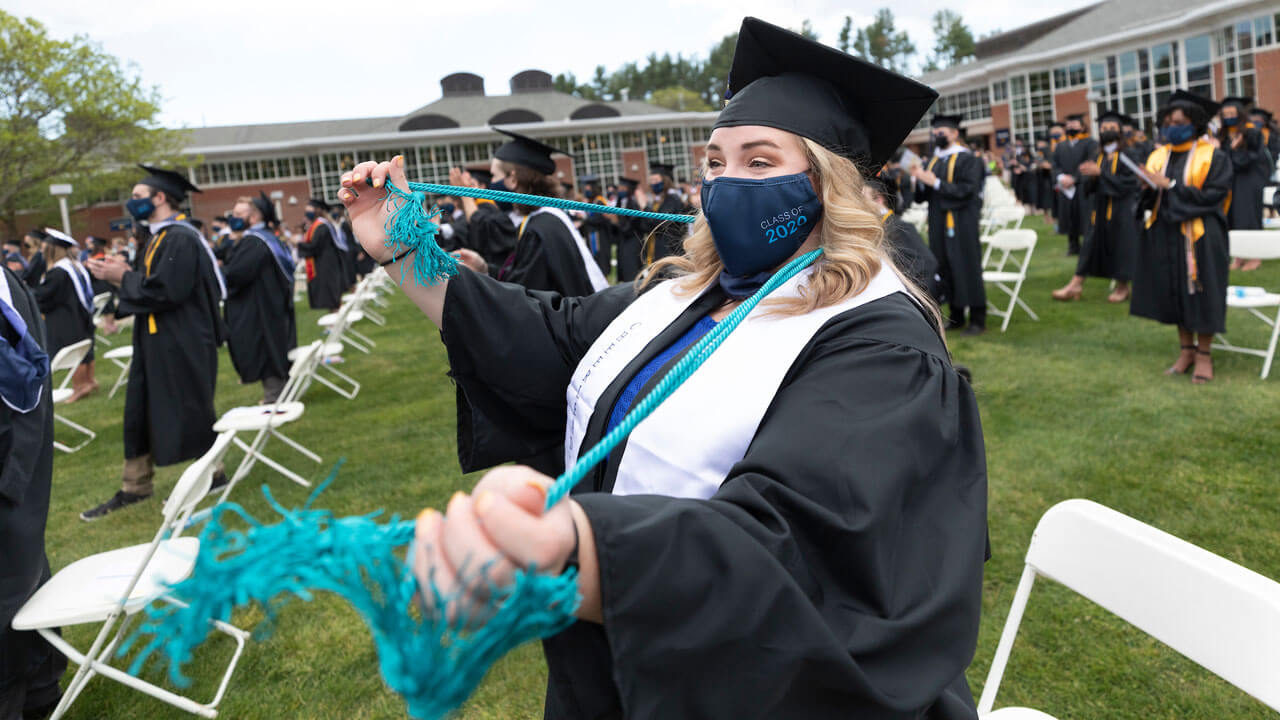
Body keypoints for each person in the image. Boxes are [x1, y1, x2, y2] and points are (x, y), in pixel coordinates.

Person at [339, 16, 986, 719]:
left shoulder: (879, 346)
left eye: (760, 161)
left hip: (734, 680)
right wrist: (403, 247)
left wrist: (577, 546)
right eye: (715, 161)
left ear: (828, 185)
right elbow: (549, 337)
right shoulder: (687, 294)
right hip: (615, 654)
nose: (726, 181)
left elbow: (794, 541)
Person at [82, 165, 227, 520]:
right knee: (140, 407)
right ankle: (135, 485)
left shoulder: (178, 237)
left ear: (159, 198)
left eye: (137, 197)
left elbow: (168, 291)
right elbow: (152, 285)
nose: (132, 204)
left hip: (182, 339)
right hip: (159, 338)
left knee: (190, 407)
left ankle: (213, 474)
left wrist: (123, 277)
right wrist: (123, 276)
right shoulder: (159, 237)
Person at [1130, 91, 1232, 385]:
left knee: (1202, 292)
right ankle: (1186, 351)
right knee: (1174, 291)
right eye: (1168, 122)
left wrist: (1171, 185)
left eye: (1179, 121)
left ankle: (1204, 355)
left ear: (1195, 123)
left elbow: (1214, 196)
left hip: (1200, 236)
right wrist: (1148, 187)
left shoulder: (1213, 156)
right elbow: (1148, 201)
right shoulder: (1158, 156)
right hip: (1165, 232)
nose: (1171, 126)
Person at [0, 265, 66, 720]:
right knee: (22, 566)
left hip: (9, 463)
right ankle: (40, 689)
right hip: (18, 460)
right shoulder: (10, 279)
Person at [451, 128, 608, 296]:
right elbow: (520, 278)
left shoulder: (539, 230)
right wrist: (485, 269)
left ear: (512, 178)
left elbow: (524, 298)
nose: (492, 184)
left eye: (494, 176)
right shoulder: (545, 218)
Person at [1052, 109, 1142, 303]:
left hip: (1122, 209)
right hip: (1099, 209)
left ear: (1120, 131)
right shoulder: (1097, 154)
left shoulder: (1129, 154)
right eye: (1103, 128)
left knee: (1121, 247)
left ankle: (1123, 287)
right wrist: (1089, 176)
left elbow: (1129, 184)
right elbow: (1089, 185)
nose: (1107, 131)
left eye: (1112, 128)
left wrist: (1100, 173)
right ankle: (1076, 284)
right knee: (1090, 245)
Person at [911, 113, 988, 334]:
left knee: (966, 265)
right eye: (934, 133)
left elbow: (967, 191)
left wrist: (934, 182)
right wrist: (921, 182)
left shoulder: (968, 159)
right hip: (938, 222)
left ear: (954, 133)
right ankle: (956, 315)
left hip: (962, 222)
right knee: (944, 266)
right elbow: (922, 197)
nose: (937, 136)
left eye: (941, 132)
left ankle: (977, 317)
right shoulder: (934, 160)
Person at [224, 193, 297, 404]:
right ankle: (280, 394)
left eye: (238, 214)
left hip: (260, 310)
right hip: (268, 305)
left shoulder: (254, 243)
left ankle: (275, 398)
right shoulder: (266, 238)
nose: (233, 217)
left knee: (266, 352)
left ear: (254, 218)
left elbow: (235, 275)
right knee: (273, 349)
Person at [32, 229, 97, 401]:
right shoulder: (74, 265)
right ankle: (90, 381)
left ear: (53, 249)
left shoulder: (58, 271)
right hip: (80, 315)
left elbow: (45, 296)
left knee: (73, 350)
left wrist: (28, 293)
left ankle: (80, 387)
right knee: (85, 348)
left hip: (65, 318)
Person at [865, 174, 939, 301]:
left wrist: (915, 297)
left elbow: (928, 263)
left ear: (878, 199)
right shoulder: (880, 226)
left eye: (862, 198)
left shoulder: (900, 227)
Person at [1218, 97, 1271, 271]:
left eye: (1232, 113)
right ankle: (1239, 257)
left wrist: (1234, 150)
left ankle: (1255, 257)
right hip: (1232, 181)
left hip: (1249, 181)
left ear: (1240, 114)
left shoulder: (1251, 133)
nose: (1229, 117)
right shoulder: (1224, 134)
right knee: (1233, 217)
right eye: (1226, 114)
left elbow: (1248, 160)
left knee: (1249, 218)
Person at [446, 166, 517, 276]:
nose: (468, 187)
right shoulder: (470, 211)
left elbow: (479, 224)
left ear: (482, 187)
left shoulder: (488, 208)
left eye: (471, 184)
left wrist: (464, 192)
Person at [1053, 114, 1099, 256]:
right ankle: (1073, 246)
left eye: (1074, 124)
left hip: (1083, 186)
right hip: (1066, 188)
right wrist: (1061, 177)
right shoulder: (1061, 145)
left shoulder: (1090, 143)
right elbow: (1055, 165)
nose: (1071, 126)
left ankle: (1087, 246)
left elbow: (1092, 162)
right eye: (1069, 124)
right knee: (1069, 216)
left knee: (1084, 217)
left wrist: (1074, 178)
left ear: (1082, 126)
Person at [298, 197, 348, 310]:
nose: (307, 211)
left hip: (326, 265)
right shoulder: (319, 225)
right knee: (331, 294)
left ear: (318, 210)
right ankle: (335, 318)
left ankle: (335, 319)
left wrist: (298, 244)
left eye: (310, 208)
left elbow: (314, 246)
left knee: (331, 294)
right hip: (325, 263)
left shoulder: (322, 226)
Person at [634, 162, 689, 264]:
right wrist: (641, 209)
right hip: (657, 251)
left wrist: (645, 207)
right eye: (651, 180)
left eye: (656, 180)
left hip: (671, 251)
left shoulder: (673, 199)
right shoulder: (657, 202)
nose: (653, 183)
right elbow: (646, 227)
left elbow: (661, 223)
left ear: (665, 181)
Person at [578, 174, 617, 277]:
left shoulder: (600, 201)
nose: (586, 190)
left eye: (588, 188)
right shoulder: (589, 202)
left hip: (601, 239)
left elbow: (599, 219)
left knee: (601, 266)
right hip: (591, 238)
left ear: (594, 188)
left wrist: (583, 219)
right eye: (585, 188)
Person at [612, 177, 645, 282]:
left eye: (623, 187)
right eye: (619, 187)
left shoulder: (634, 204)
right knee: (624, 268)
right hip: (623, 242)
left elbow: (630, 227)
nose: (620, 190)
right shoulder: (620, 202)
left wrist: (616, 221)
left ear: (629, 189)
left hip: (632, 242)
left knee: (632, 271)